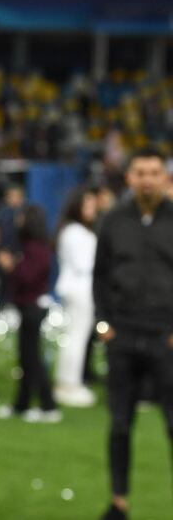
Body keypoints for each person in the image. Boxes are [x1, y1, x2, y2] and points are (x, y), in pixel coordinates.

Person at [93, 149, 173, 520]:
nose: (147, 179)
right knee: (120, 425)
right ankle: (118, 502)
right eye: (140, 172)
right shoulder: (112, 220)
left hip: (165, 336)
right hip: (122, 335)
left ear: (163, 177)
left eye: (154, 172)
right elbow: (100, 275)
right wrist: (104, 324)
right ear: (129, 177)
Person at [0, 205, 60, 423]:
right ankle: (22, 405)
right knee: (27, 358)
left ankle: (48, 405)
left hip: (33, 307)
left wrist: (11, 266)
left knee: (32, 359)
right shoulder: (33, 247)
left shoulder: (36, 249)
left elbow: (28, 277)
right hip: (29, 307)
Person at [53, 187, 99, 408]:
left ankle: (69, 381)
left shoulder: (76, 231)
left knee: (76, 337)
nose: (93, 209)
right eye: (87, 204)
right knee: (76, 338)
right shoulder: (75, 232)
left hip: (81, 288)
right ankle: (69, 384)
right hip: (80, 289)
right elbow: (83, 264)